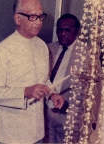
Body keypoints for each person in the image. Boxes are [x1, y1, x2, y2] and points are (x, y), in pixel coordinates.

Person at [0, 0, 64, 143]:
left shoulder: (42, 46)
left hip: (37, 132)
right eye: (32, 17)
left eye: (41, 16)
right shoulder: (3, 50)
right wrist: (25, 91)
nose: (38, 22)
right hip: (10, 134)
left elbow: (44, 80)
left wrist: (52, 94)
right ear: (18, 18)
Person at [43, 13, 84, 143]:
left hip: (69, 115)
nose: (63, 34)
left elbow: (91, 92)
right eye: (60, 29)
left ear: (77, 31)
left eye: (68, 30)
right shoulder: (48, 48)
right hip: (45, 110)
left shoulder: (86, 54)